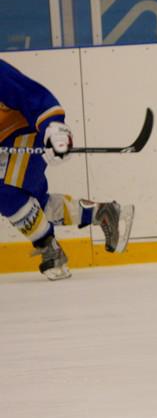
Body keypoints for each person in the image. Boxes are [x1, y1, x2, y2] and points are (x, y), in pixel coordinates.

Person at [0, 59, 134, 280]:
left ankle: (48, 247)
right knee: (33, 206)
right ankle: (102, 213)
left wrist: (55, 130)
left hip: (23, 132)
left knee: (7, 194)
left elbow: (36, 98)